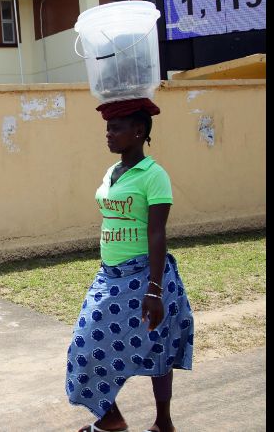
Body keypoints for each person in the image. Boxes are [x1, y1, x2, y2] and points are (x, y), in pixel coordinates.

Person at [66, 98, 194, 432]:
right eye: (107, 128)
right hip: (109, 277)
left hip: (144, 275)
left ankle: (163, 423)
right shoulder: (112, 171)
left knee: (157, 347)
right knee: (85, 344)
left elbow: (157, 232)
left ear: (138, 131)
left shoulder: (154, 175)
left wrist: (155, 290)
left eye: (116, 128)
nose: (108, 134)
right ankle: (111, 418)